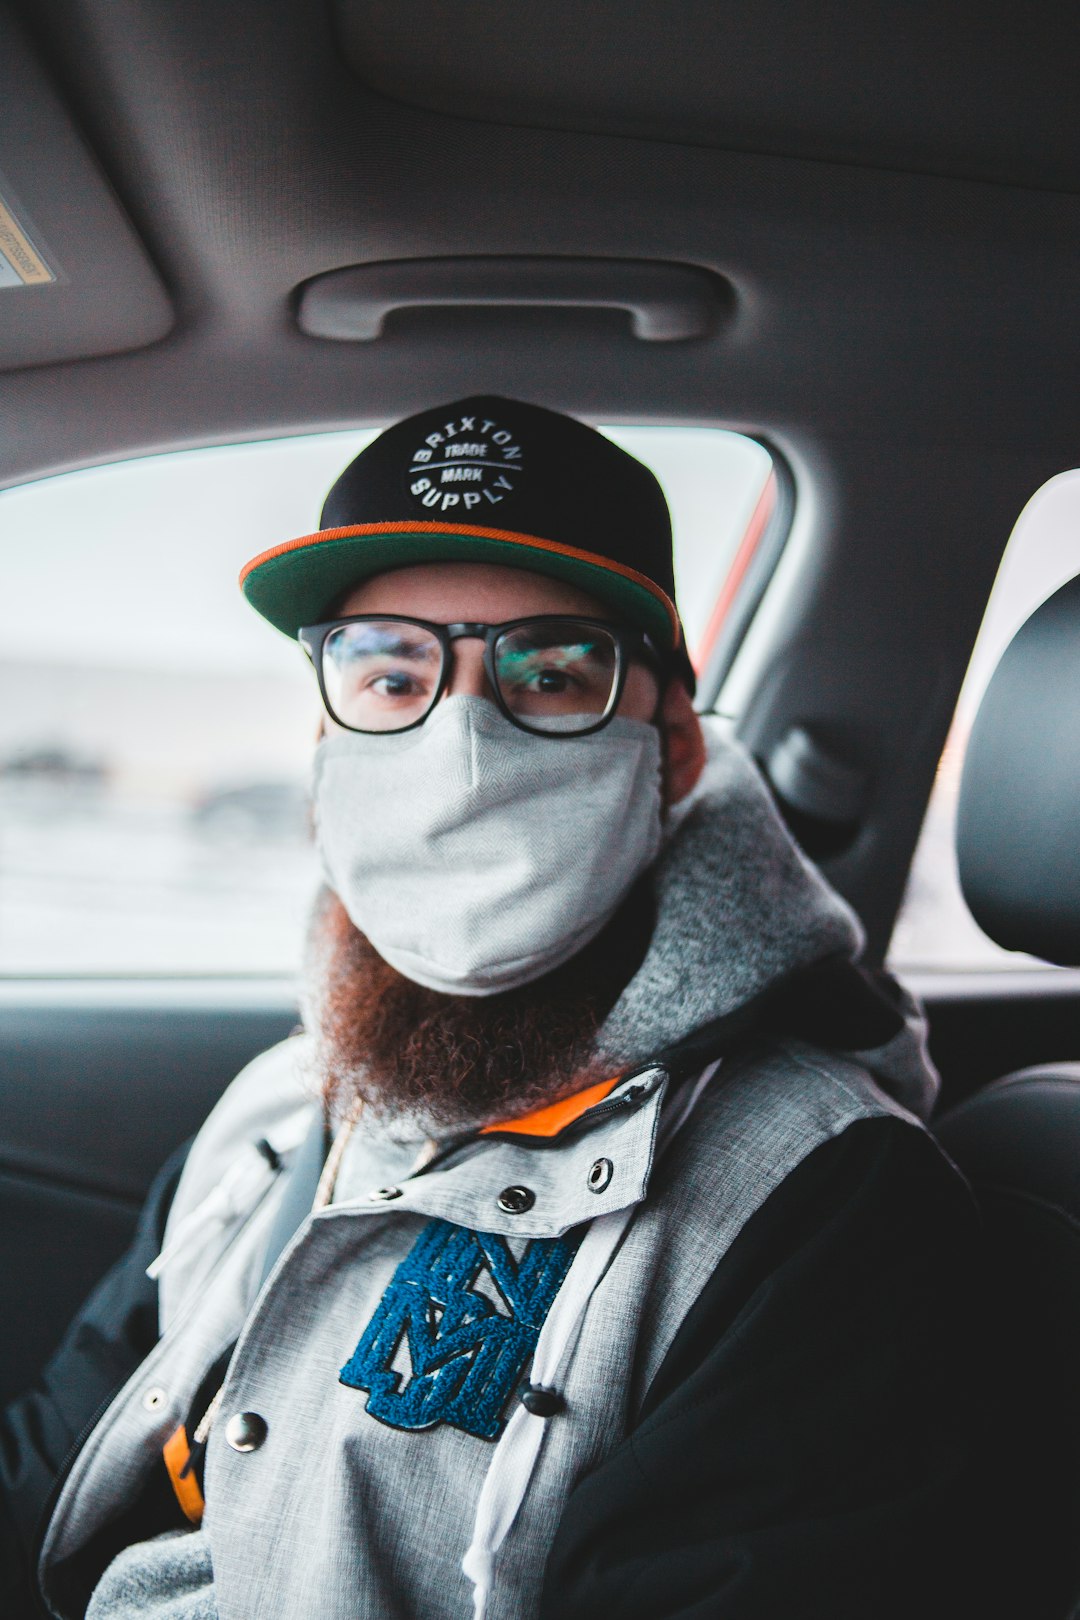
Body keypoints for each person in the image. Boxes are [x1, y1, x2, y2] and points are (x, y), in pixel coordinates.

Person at [2, 397, 1016, 1619]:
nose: (460, 740)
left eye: (550, 673)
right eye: (389, 672)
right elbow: (59, 1461)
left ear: (674, 748)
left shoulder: (823, 1204)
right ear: (325, 730)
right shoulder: (287, 1101)